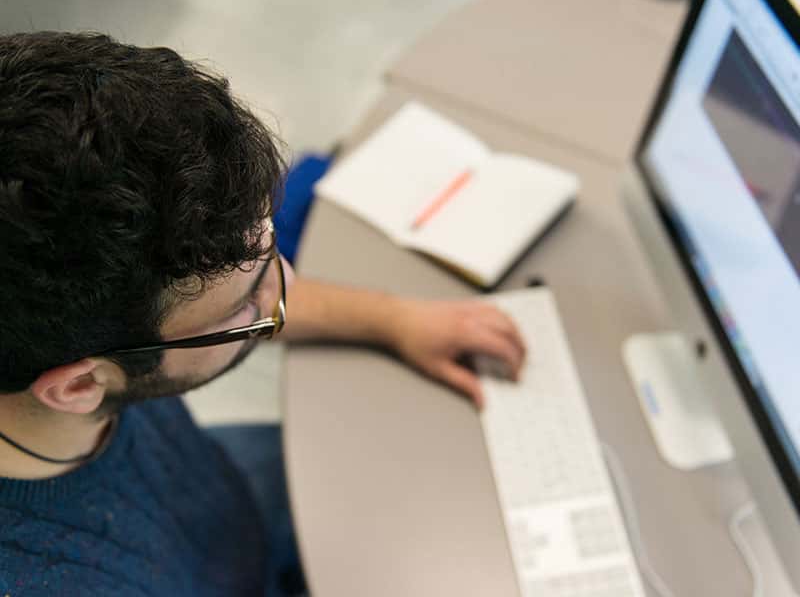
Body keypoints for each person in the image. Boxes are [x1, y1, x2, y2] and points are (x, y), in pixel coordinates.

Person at [0, 32, 526, 596]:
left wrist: (396, 320)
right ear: (80, 385)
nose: (288, 285)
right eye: (249, 304)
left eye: (268, 250)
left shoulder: (66, 340)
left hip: (218, 514)